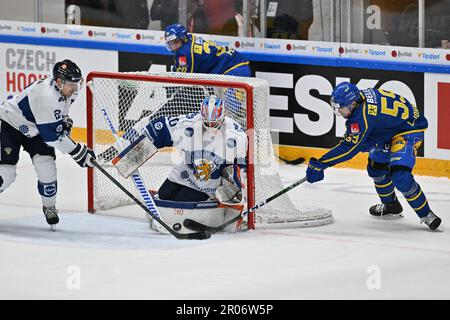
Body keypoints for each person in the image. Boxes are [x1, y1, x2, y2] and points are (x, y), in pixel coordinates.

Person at [305, 82, 442, 231]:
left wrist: (321, 164)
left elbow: (349, 149)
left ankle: (426, 214)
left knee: (400, 176)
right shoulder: (359, 99)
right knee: (376, 169)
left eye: (340, 108)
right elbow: (366, 132)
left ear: (352, 103)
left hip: (408, 130)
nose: (339, 112)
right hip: (387, 129)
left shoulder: (361, 116)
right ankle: (391, 205)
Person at [0, 59, 96, 228]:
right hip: (12, 124)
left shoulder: (69, 89)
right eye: (71, 85)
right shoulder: (46, 96)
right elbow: (51, 137)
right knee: (6, 173)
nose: (75, 89)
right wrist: (79, 152)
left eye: (77, 83)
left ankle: (49, 207)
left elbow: (58, 113)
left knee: (47, 168)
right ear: (59, 82)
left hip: (36, 128)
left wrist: (64, 120)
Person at [164, 23, 251, 77]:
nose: (173, 46)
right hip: (236, 64)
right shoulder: (190, 38)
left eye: (176, 42)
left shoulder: (184, 52)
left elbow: (181, 80)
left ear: (183, 38)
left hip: (233, 70)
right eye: (170, 43)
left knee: (232, 105)